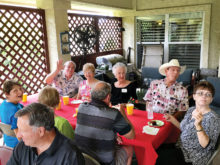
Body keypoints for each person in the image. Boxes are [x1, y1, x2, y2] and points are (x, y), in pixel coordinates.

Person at [156, 81, 220, 165]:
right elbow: (183, 128)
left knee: (157, 158)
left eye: (208, 94)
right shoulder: (191, 110)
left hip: (193, 158)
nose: (204, 96)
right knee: (156, 149)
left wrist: (198, 126)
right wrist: (171, 119)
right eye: (200, 93)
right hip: (181, 147)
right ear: (194, 96)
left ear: (211, 99)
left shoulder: (213, 118)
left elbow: (205, 145)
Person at [75, 81, 135, 165]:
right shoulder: (113, 114)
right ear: (108, 97)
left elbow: (96, 125)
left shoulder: (81, 107)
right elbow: (131, 136)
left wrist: (114, 134)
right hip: (102, 162)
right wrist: (123, 113)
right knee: (129, 148)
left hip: (82, 158)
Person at [7, 103, 85, 165]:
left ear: (41, 131)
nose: (18, 135)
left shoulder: (70, 156)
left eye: (23, 131)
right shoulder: (23, 146)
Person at [0, 80, 23, 148]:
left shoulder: (3, 103)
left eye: (20, 89)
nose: (20, 92)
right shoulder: (15, 111)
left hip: (7, 139)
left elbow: (20, 106)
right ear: (7, 94)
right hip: (17, 143)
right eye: (15, 91)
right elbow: (17, 132)